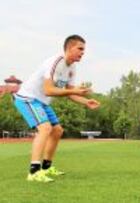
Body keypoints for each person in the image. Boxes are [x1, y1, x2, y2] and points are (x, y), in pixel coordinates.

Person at [14, 35, 101, 183]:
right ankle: (34, 172)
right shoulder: (55, 62)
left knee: (57, 130)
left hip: (42, 102)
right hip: (27, 98)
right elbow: (48, 90)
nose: (82, 53)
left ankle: (46, 168)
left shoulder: (72, 68)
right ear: (69, 48)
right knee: (45, 128)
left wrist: (86, 102)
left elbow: (70, 93)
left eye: (84, 50)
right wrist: (74, 91)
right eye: (80, 49)